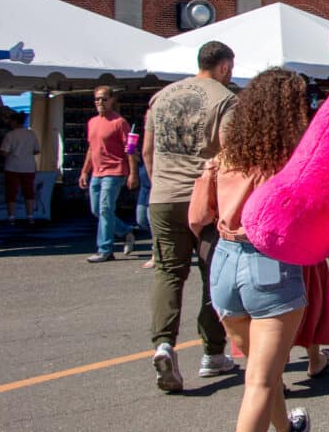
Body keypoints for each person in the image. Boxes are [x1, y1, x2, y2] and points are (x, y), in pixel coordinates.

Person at [189, 69, 329, 432]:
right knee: (259, 382)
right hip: (269, 264)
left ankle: (285, 429)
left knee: (261, 371)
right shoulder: (290, 162)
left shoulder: (225, 158)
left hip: (223, 262)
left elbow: (197, 218)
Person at [143, 40, 237, 392]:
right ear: (225, 66)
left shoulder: (162, 97)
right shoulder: (225, 99)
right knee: (214, 274)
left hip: (163, 196)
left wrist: (160, 185)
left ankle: (163, 343)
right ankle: (212, 352)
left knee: (168, 272)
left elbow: (149, 151)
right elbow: (230, 153)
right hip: (205, 199)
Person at [81, 86, 139, 263]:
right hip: (97, 172)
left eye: (104, 99)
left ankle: (105, 249)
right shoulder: (92, 122)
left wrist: (133, 173)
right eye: (97, 99)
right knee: (97, 210)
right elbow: (91, 149)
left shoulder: (119, 122)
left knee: (105, 209)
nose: (100, 102)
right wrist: (84, 171)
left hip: (114, 171)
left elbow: (130, 149)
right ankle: (125, 230)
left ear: (112, 100)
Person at [0, 110, 39, 225]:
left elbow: (4, 152)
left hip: (12, 167)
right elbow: (36, 150)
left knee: (11, 192)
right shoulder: (31, 134)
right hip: (28, 166)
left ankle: (11, 217)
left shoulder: (10, 135)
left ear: (15, 122)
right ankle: (30, 216)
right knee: (29, 192)